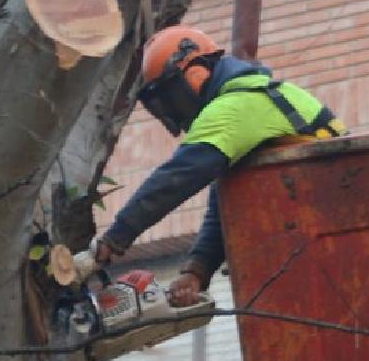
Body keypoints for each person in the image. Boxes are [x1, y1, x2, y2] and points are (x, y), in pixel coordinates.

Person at [93, 24, 343, 307]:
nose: (172, 111)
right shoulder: (261, 96)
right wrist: (196, 272)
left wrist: (114, 239)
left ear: (195, 72)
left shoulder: (236, 105)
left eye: (170, 98)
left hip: (321, 237)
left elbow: (178, 177)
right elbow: (226, 198)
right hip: (321, 235)